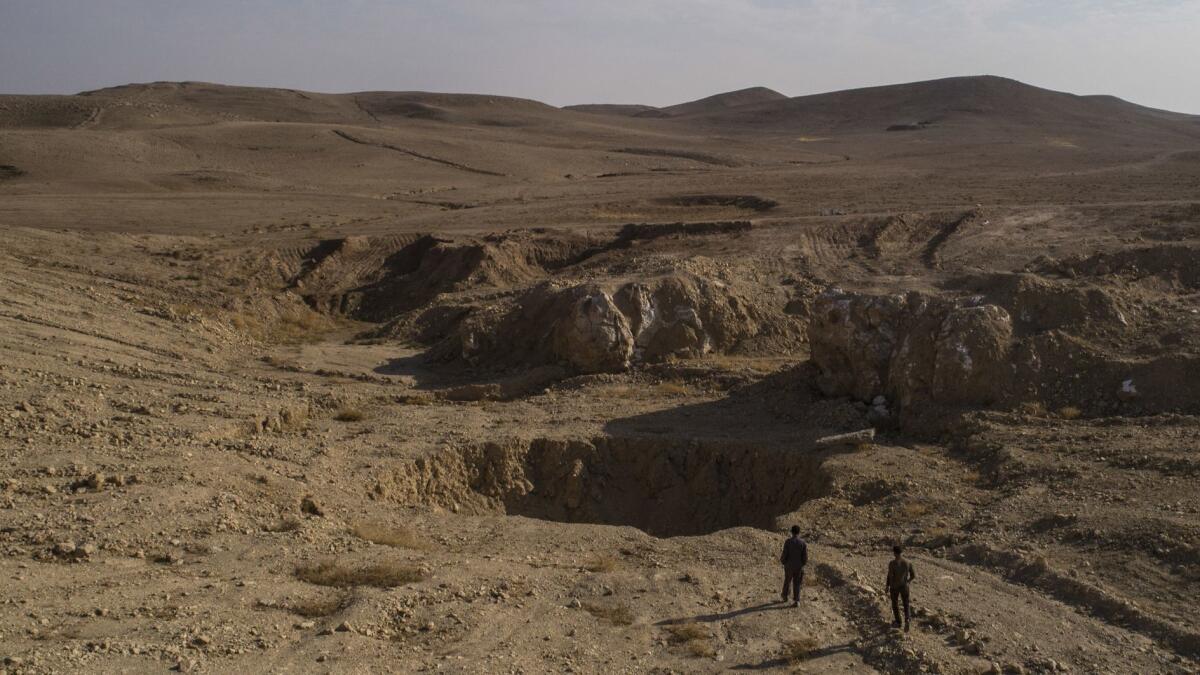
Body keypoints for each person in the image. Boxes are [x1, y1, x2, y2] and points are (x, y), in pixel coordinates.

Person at [885, 545, 916, 631]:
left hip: (894, 587)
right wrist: (908, 582)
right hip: (904, 586)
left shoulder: (892, 563)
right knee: (906, 604)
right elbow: (913, 575)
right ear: (901, 552)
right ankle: (907, 619)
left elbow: (890, 575)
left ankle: (898, 622)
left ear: (894, 553)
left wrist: (887, 586)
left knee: (895, 604)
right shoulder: (908, 562)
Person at [779, 525, 807, 607]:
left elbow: (785, 553)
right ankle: (797, 600)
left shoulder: (788, 541)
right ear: (799, 532)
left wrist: (783, 561)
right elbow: (805, 557)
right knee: (797, 583)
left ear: (791, 532)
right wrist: (802, 564)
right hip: (798, 566)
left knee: (787, 580)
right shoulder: (803, 543)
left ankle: (785, 596)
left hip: (788, 566)